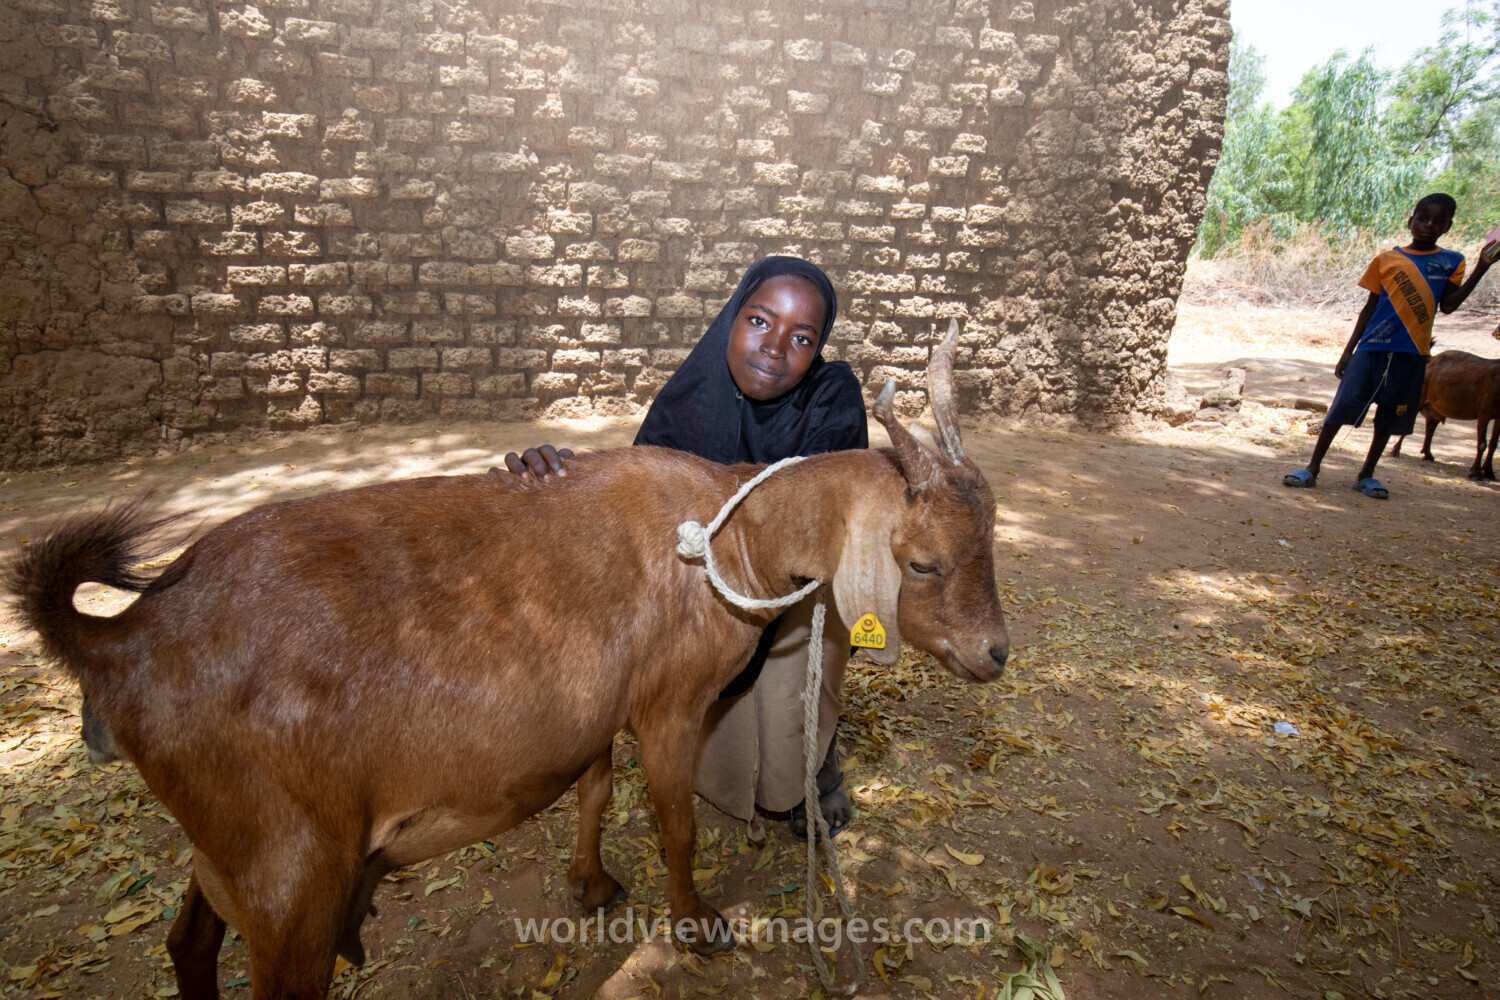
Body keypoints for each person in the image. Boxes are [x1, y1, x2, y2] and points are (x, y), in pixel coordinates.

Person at [502, 256, 867, 841]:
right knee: (688, 654)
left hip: (793, 585)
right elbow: (638, 502)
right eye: (759, 322)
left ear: (818, 344)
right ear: (732, 317)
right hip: (706, 591)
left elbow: (810, 522)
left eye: (801, 337)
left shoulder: (830, 399)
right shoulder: (691, 397)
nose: (775, 348)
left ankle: (810, 771)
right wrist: (559, 484)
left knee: (805, 654)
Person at [1282, 194, 1495, 498]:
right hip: (1371, 348)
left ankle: (1366, 474)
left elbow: (1448, 306)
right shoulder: (1386, 260)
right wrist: (1348, 350)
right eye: (1423, 218)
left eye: (1438, 221)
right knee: (1342, 407)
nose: (1429, 225)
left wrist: (1482, 268)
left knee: (1390, 415)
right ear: (1411, 220)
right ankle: (1312, 468)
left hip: (1413, 353)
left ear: (1448, 226)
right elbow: (1369, 308)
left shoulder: (1452, 262)